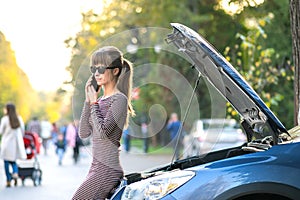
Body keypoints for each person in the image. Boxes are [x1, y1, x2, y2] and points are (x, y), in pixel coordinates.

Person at [72, 46, 135, 200]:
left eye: (101, 68)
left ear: (115, 71)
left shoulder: (119, 99)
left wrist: (93, 104)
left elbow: (103, 133)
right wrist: (88, 101)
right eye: (94, 68)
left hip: (107, 169)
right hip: (96, 168)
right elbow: (83, 133)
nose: (96, 73)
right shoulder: (98, 101)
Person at [0, 103, 26, 187]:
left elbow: (1, 131)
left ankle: (8, 180)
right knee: (14, 161)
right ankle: (15, 173)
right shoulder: (19, 118)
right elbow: (22, 131)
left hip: (6, 143)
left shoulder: (5, 119)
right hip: (15, 144)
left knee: (6, 162)